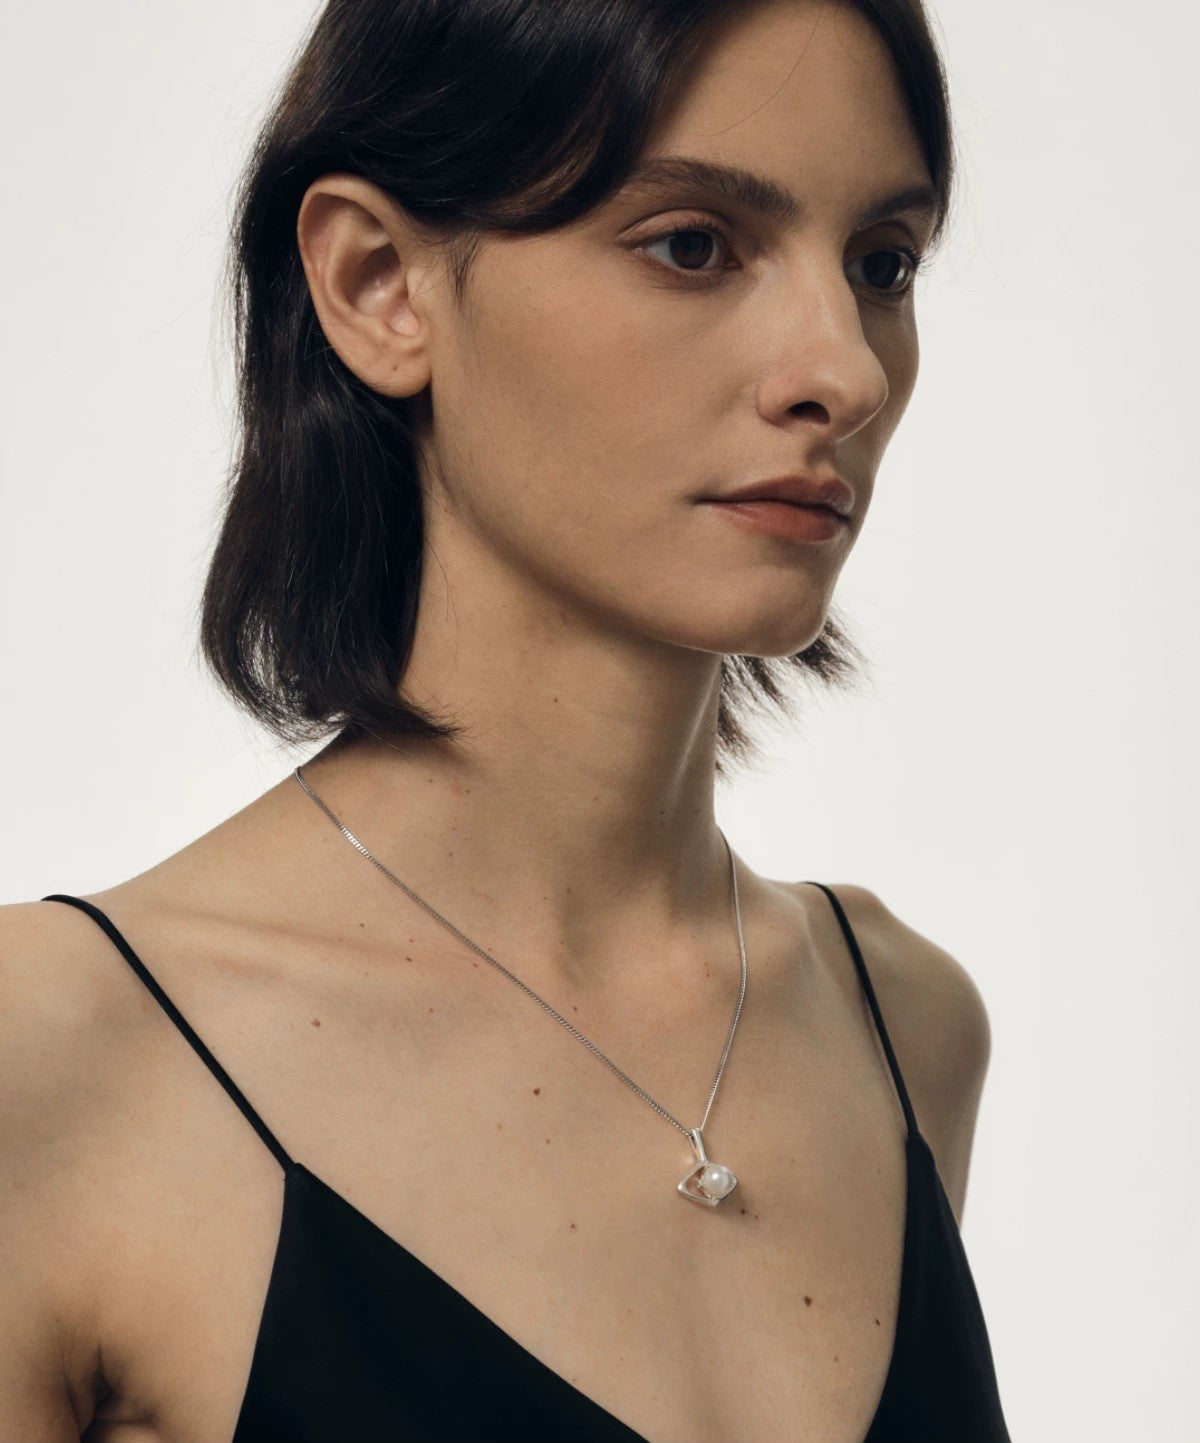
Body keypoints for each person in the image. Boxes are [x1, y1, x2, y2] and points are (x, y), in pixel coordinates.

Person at [1, 0, 1012, 1438]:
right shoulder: (55, 1063)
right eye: (694, 246)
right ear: (378, 286)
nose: (842, 370)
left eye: (883, 263)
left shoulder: (902, 1024)